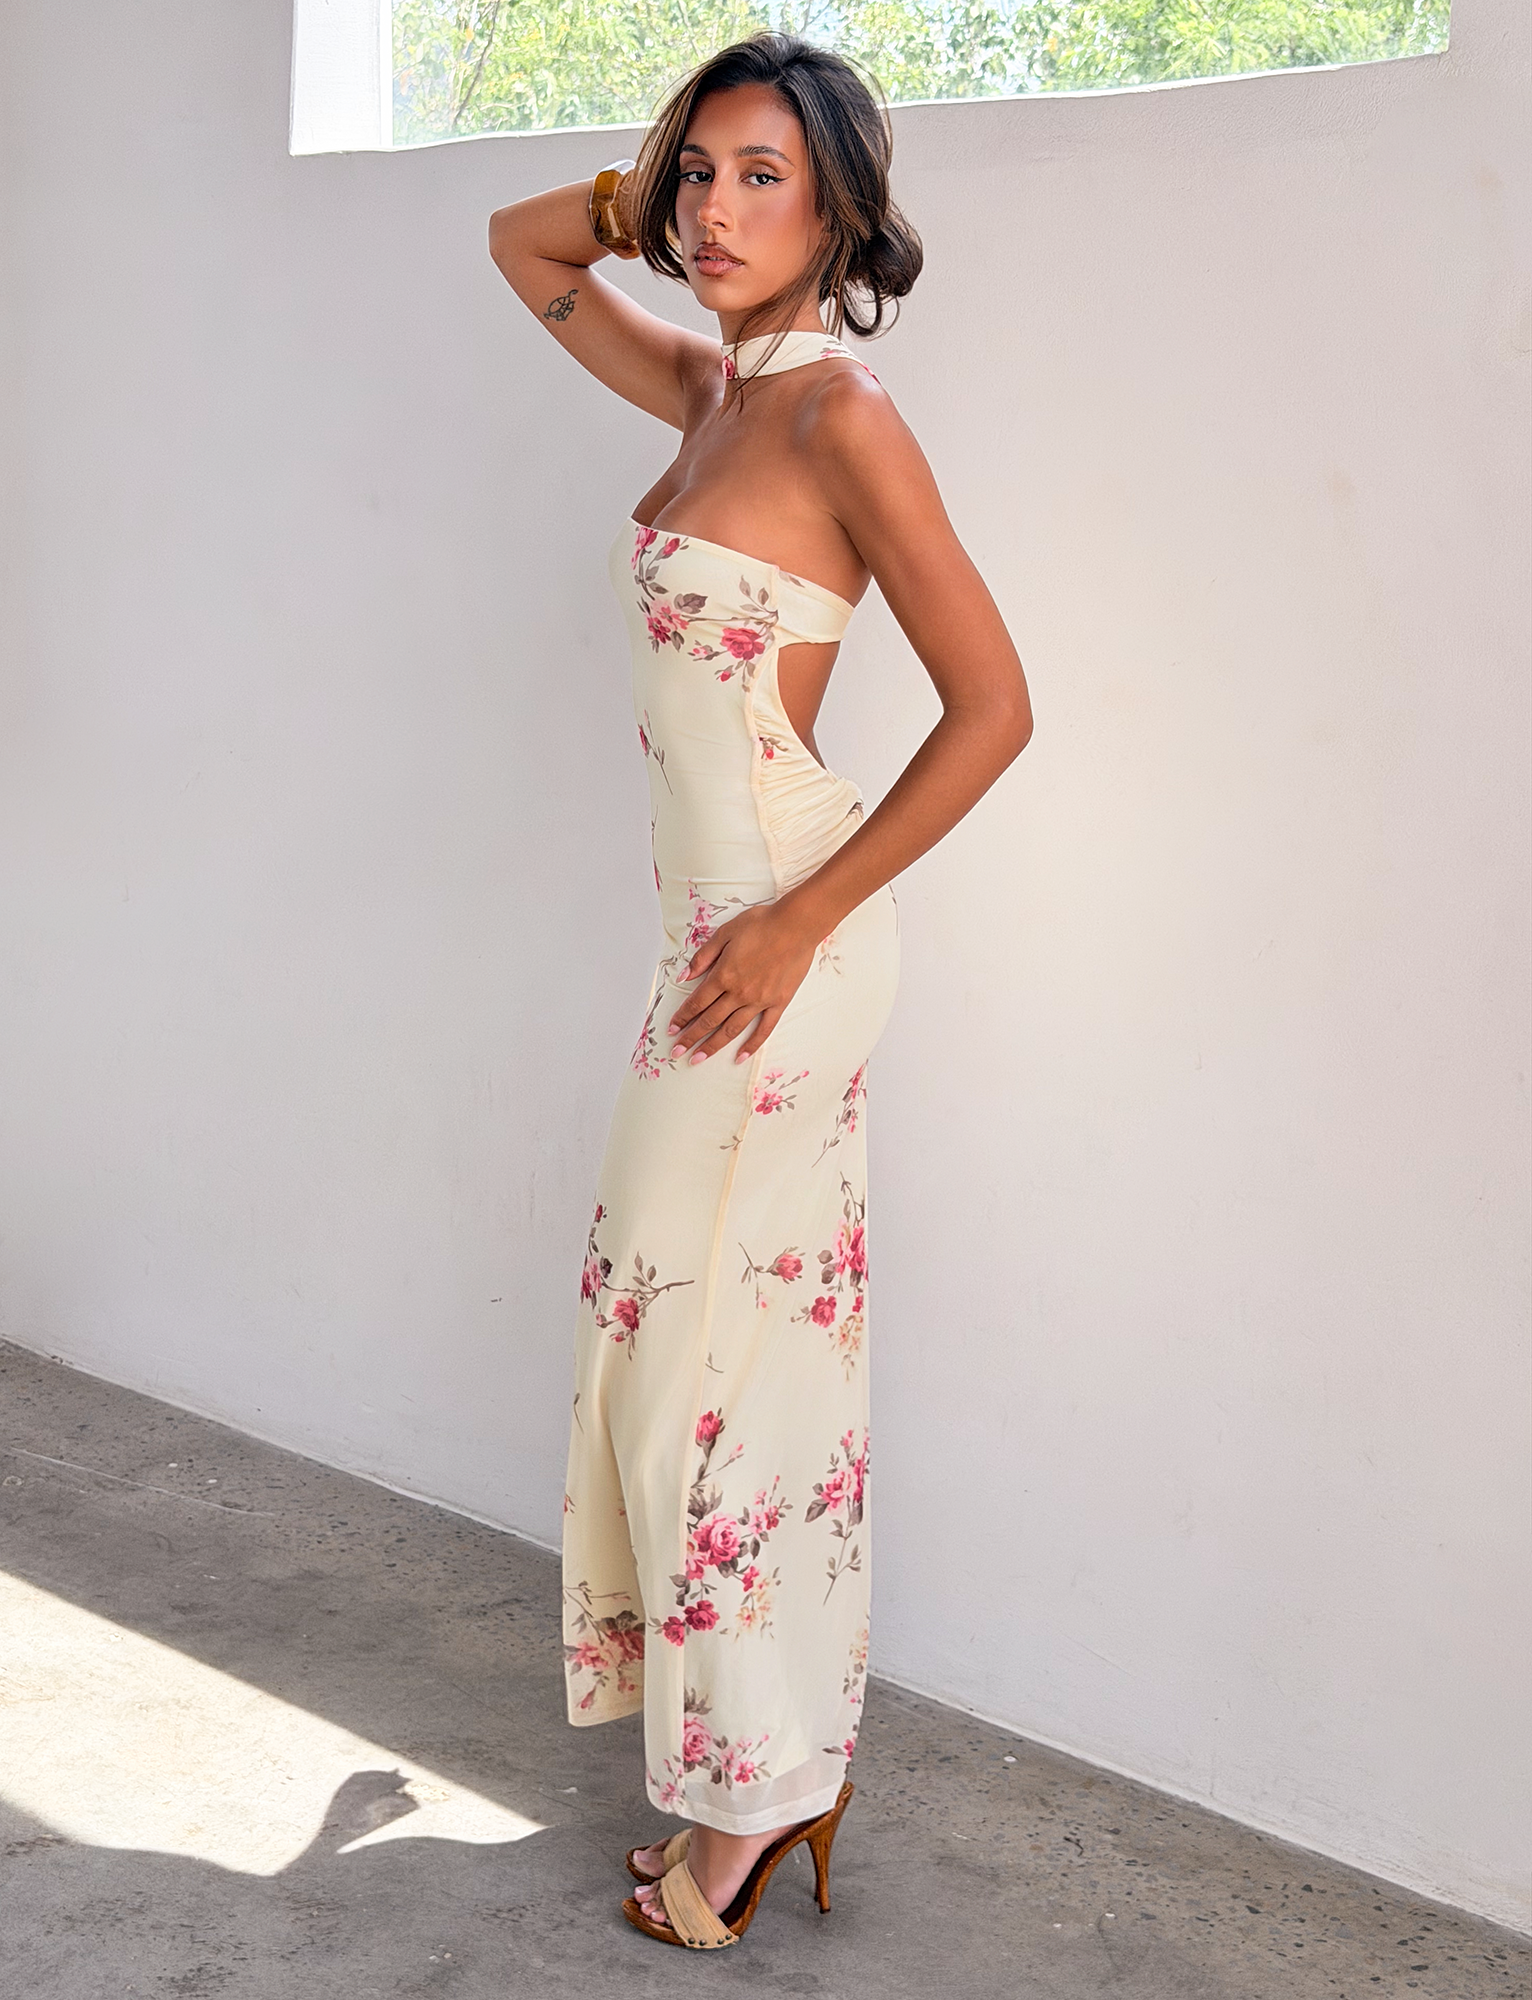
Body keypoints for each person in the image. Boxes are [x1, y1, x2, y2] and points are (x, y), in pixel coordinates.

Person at [488, 30, 1032, 1952]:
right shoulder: (715, 393)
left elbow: (998, 712)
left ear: (844, 212)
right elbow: (517, 243)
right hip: (704, 943)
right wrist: (650, 208)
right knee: (676, 1344)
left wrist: (802, 924)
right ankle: (765, 1764)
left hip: (786, 942)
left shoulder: (841, 428)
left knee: (719, 1370)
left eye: (761, 180)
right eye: (694, 171)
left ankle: (759, 1792)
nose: (712, 212)